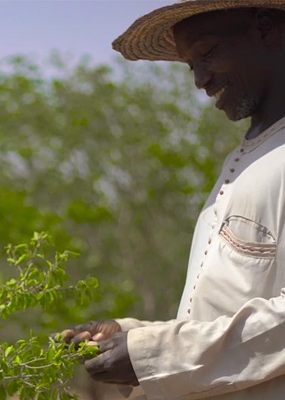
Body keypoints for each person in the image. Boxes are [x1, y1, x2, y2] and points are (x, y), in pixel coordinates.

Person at [60, 1, 285, 399]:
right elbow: (227, 315)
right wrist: (134, 337)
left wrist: (154, 356)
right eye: (189, 64)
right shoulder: (247, 157)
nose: (199, 79)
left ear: (266, 28)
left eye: (207, 52)